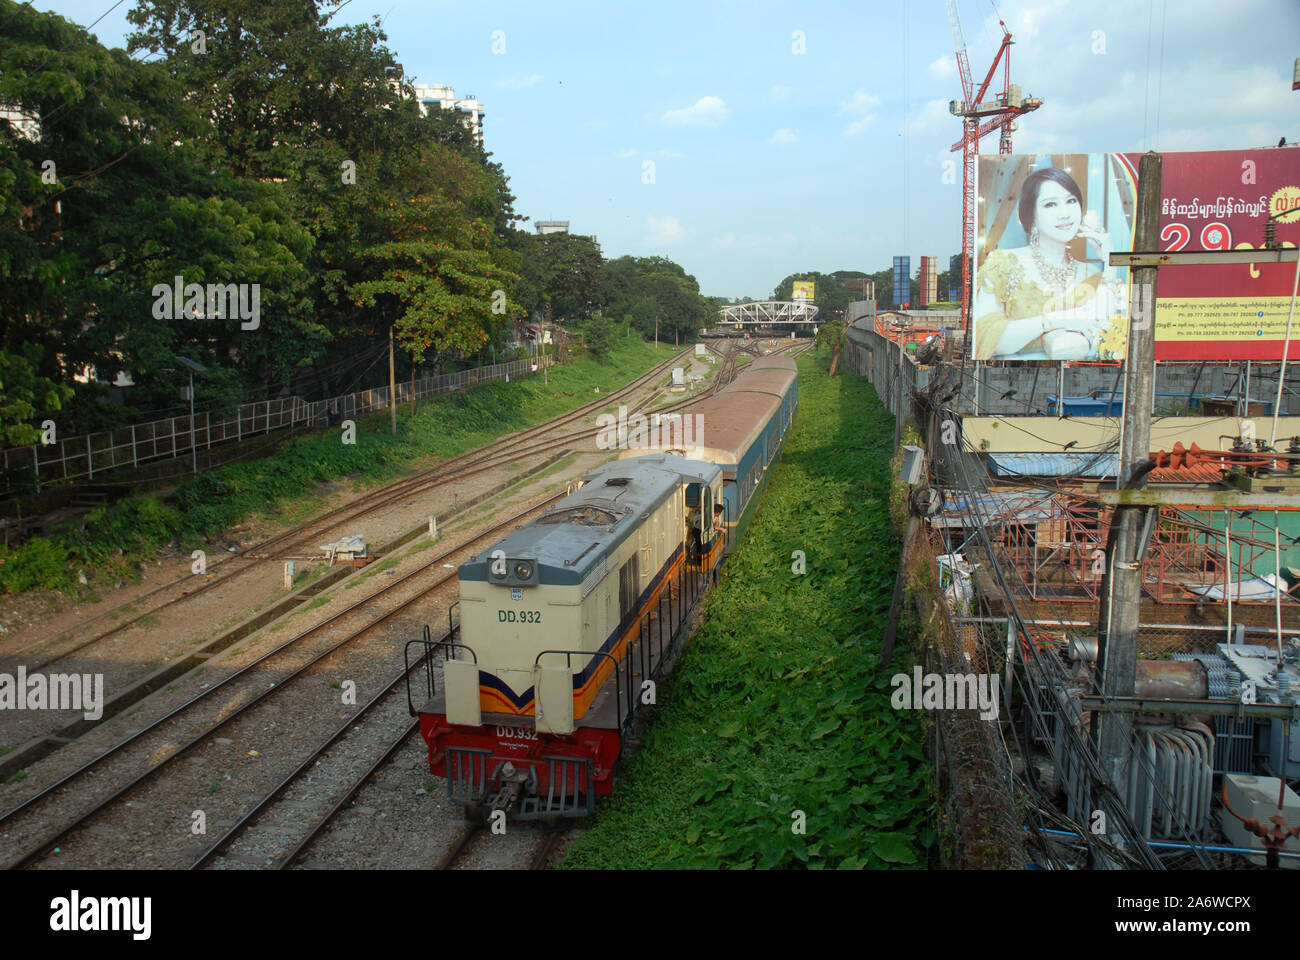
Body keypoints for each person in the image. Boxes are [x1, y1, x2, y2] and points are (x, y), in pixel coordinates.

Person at [974, 166, 1121, 361]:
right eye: (1050, 204)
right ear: (1030, 215)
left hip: (1076, 381)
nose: (1065, 213)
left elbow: (1107, 335)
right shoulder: (1003, 264)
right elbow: (986, 339)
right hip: (1012, 380)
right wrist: (1054, 321)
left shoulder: (1091, 273)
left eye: (1071, 201)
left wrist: (1110, 262)